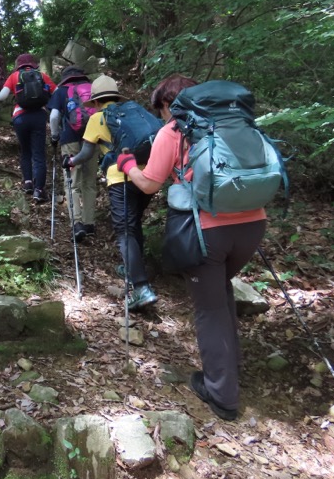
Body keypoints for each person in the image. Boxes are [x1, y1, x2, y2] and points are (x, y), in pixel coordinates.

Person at [117, 73, 267, 421]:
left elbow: (150, 183)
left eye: (161, 110)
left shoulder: (174, 131)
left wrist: (127, 166)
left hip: (207, 231)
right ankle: (228, 370)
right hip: (253, 224)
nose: (161, 116)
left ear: (169, 104)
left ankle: (221, 394)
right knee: (220, 296)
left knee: (209, 310)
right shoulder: (234, 122)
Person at [64, 75, 156, 311]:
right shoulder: (134, 110)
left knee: (124, 230)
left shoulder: (97, 118)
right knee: (133, 223)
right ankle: (134, 268)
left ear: (95, 102)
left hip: (121, 177)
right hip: (148, 175)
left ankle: (141, 288)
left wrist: (71, 161)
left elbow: (85, 154)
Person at [0, 53, 56, 203]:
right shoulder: (41, 75)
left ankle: (28, 182)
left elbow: (2, 96)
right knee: (39, 154)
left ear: (18, 65)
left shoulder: (14, 76)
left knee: (25, 150)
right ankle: (39, 190)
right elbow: (57, 91)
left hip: (20, 117)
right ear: (33, 64)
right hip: (39, 116)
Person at [48, 66, 98, 241]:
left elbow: (54, 117)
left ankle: (77, 224)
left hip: (69, 140)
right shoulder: (93, 88)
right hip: (92, 138)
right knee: (90, 182)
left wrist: (55, 136)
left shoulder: (61, 91)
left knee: (73, 183)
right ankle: (89, 223)